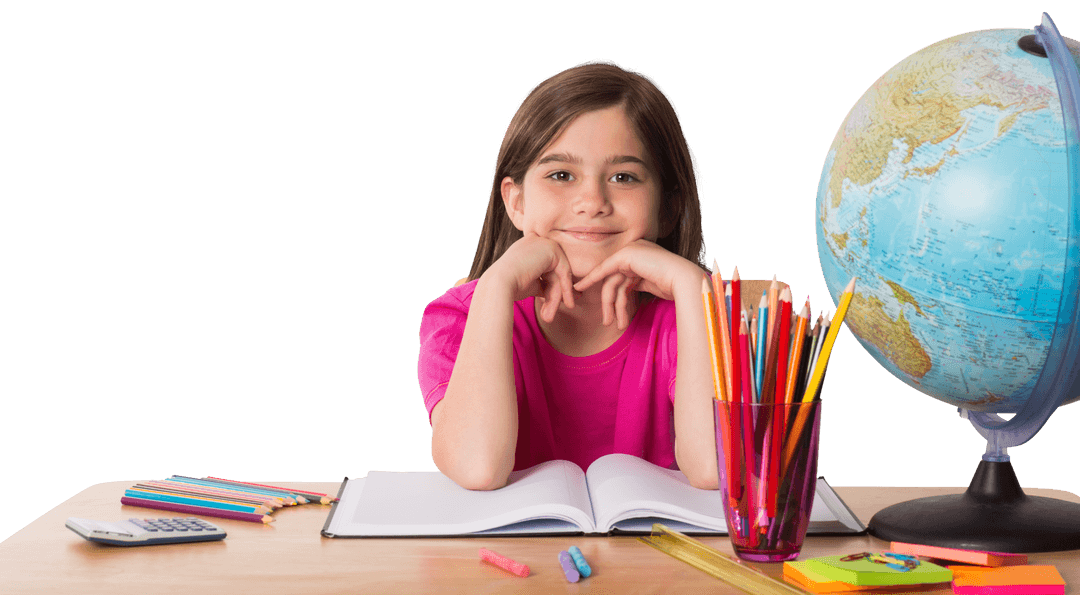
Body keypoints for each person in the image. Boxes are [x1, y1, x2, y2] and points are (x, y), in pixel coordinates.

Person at [417, 59, 718, 491]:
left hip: (658, 559)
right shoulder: (460, 320)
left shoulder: (697, 317)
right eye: (561, 175)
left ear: (667, 209)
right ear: (516, 202)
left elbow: (715, 469)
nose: (592, 201)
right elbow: (477, 466)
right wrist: (496, 285)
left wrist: (692, 289)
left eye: (623, 177)